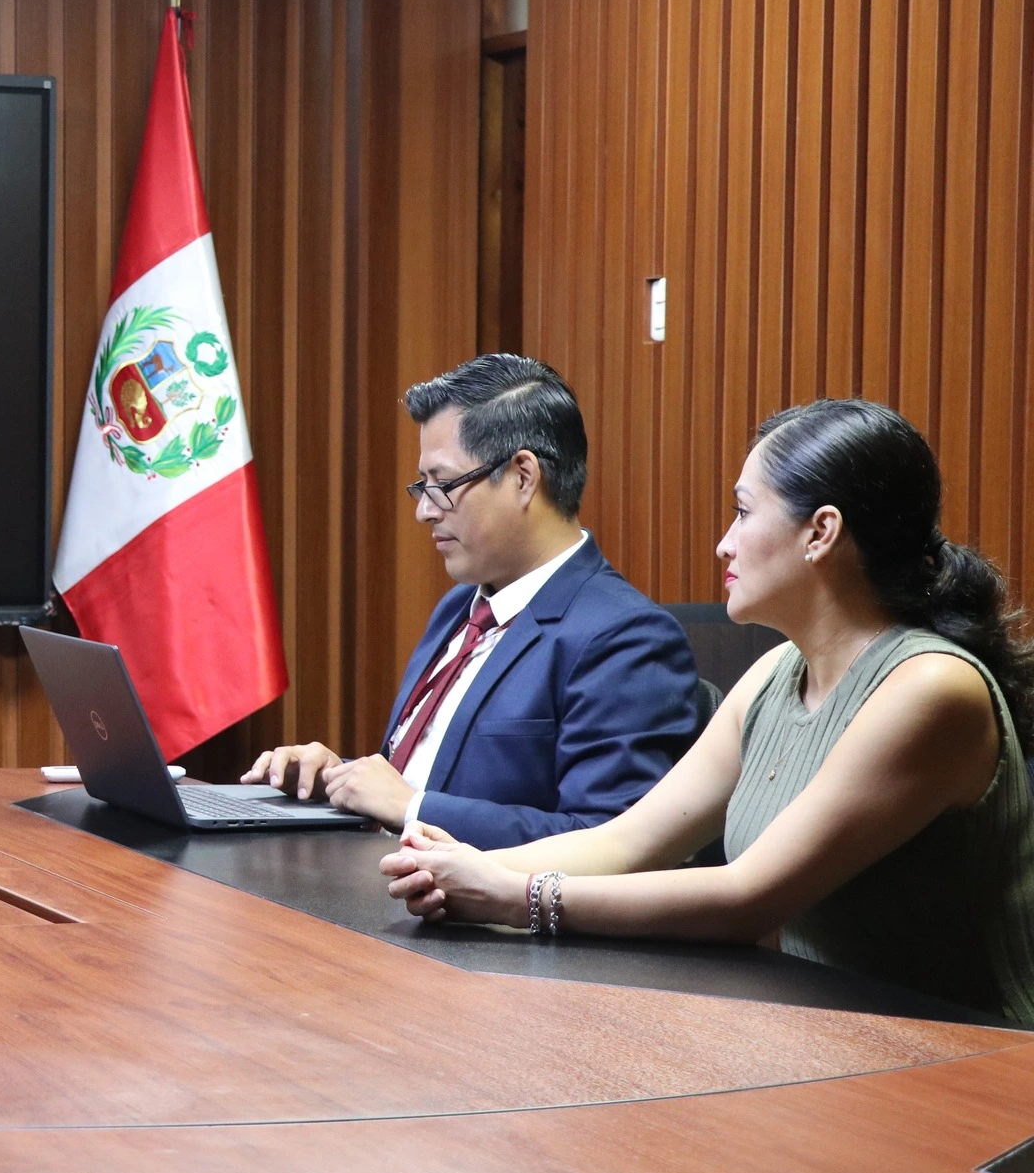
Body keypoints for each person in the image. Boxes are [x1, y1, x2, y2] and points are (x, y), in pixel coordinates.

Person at [381, 399, 1034, 1025]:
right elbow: (628, 841)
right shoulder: (775, 674)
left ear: (821, 533)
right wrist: (459, 864)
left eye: (743, 513)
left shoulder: (931, 689)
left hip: (968, 1058)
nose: (724, 544)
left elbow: (747, 898)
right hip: (829, 1034)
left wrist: (514, 896)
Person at [242, 354, 702, 847]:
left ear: (523, 477)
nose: (424, 511)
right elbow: (430, 779)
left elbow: (609, 841)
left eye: (443, 484)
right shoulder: (460, 608)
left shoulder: (624, 637)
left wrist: (411, 807)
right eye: (422, 486)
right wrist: (338, 779)